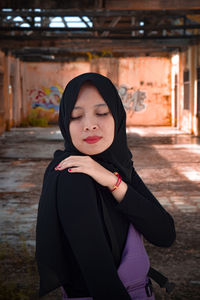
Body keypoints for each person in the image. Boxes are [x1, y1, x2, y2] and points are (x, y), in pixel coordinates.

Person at [35, 72, 176, 300]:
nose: (89, 125)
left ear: (118, 117)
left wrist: (112, 181)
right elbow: (102, 282)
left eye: (101, 113)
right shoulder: (72, 174)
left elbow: (164, 233)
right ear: (64, 123)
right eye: (75, 116)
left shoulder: (117, 166)